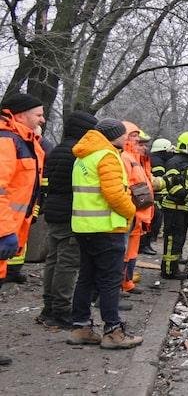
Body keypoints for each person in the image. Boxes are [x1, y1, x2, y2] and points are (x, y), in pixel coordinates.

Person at [66, 118, 143, 349]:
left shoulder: (83, 156)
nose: (127, 138)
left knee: (86, 277)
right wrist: (131, 211)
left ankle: (80, 327)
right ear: (114, 136)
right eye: (124, 134)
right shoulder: (107, 156)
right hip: (107, 228)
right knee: (110, 280)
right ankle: (112, 331)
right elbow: (115, 195)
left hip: (84, 226)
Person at [37, 111, 97, 329]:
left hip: (53, 212)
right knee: (68, 263)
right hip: (70, 214)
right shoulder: (78, 154)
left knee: (53, 260)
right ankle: (61, 310)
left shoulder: (56, 151)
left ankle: (48, 307)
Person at [0, 93, 46, 289]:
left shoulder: (24, 142)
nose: (42, 120)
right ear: (19, 115)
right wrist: (5, 232)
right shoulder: (6, 141)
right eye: (38, 115)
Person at [160, 131, 188, 279]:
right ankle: (168, 271)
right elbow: (172, 186)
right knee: (173, 240)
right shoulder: (174, 162)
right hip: (175, 208)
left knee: (180, 240)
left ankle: (175, 268)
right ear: (185, 145)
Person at [119, 123, 156, 296]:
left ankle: (127, 282)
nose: (139, 142)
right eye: (134, 136)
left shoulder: (135, 159)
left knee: (131, 251)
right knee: (124, 251)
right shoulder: (125, 158)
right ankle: (119, 285)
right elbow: (127, 185)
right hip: (131, 212)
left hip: (138, 213)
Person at [143, 138, 174, 255]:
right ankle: (145, 244)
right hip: (155, 197)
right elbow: (158, 180)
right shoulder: (157, 162)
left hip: (155, 197)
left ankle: (146, 244)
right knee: (152, 222)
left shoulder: (156, 159)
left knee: (153, 222)